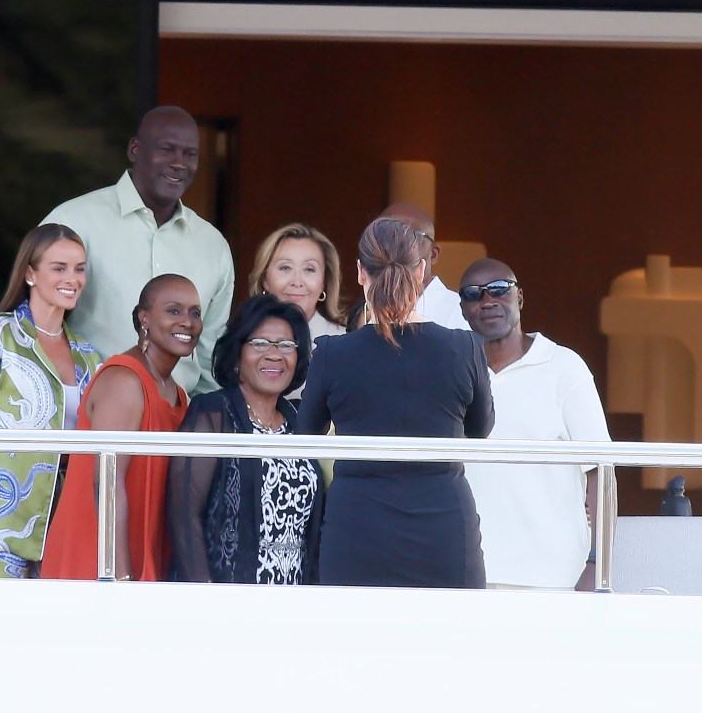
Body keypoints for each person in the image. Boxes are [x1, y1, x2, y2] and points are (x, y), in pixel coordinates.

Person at [299, 217, 494, 588]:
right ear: (421, 271)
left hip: (357, 525)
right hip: (444, 526)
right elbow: (480, 429)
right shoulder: (463, 347)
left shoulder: (333, 354)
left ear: (360, 273)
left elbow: (307, 432)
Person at [0, 224, 102, 578]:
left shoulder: (89, 356)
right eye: (59, 268)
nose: (72, 279)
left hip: (65, 528)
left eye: (79, 269)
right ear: (30, 273)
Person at [41, 106, 234, 396]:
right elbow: (33, 326)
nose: (179, 163)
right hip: (84, 420)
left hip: (178, 424)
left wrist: (199, 426)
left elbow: (211, 357)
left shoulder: (212, 245)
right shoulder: (73, 223)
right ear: (135, 149)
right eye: (167, 149)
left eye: (190, 154)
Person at [458, 257, 611, 590]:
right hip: (466, 570)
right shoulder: (453, 373)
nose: (488, 301)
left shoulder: (565, 367)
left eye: (499, 289)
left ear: (520, 298)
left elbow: (602, 471)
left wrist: (597, 562)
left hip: (550, 575)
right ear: (463, 309)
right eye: (474, 294)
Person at [43, 274, 202, 581]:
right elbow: (106, 482)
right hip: (100, 560)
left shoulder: (178, 393)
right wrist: (118, 577)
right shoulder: (124, 380)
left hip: (141, 552)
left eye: (194, 313)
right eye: (173, 310)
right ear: (144, 317)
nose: (187, 321)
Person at [168, 294, 325, 584]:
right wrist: (205, 598)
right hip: (229, 600)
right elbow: (184, 515)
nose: (274, 354)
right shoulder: (213, 413)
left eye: (286, 345)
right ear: (237, 354)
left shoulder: (297, 420)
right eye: (260, 343)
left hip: (295, 599)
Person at [249, 222, 344, 400]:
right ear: (264, 280)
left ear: (324, 281)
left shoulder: (346, 344)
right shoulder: (241, 340)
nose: (297, 281)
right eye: (285, 268)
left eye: (309, 269)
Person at [381, 201, 470, 330]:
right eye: (385, 236)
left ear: (433, 254)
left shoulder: (461, 312)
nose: (395, 245)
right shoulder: (366, 312)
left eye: (409, 236)